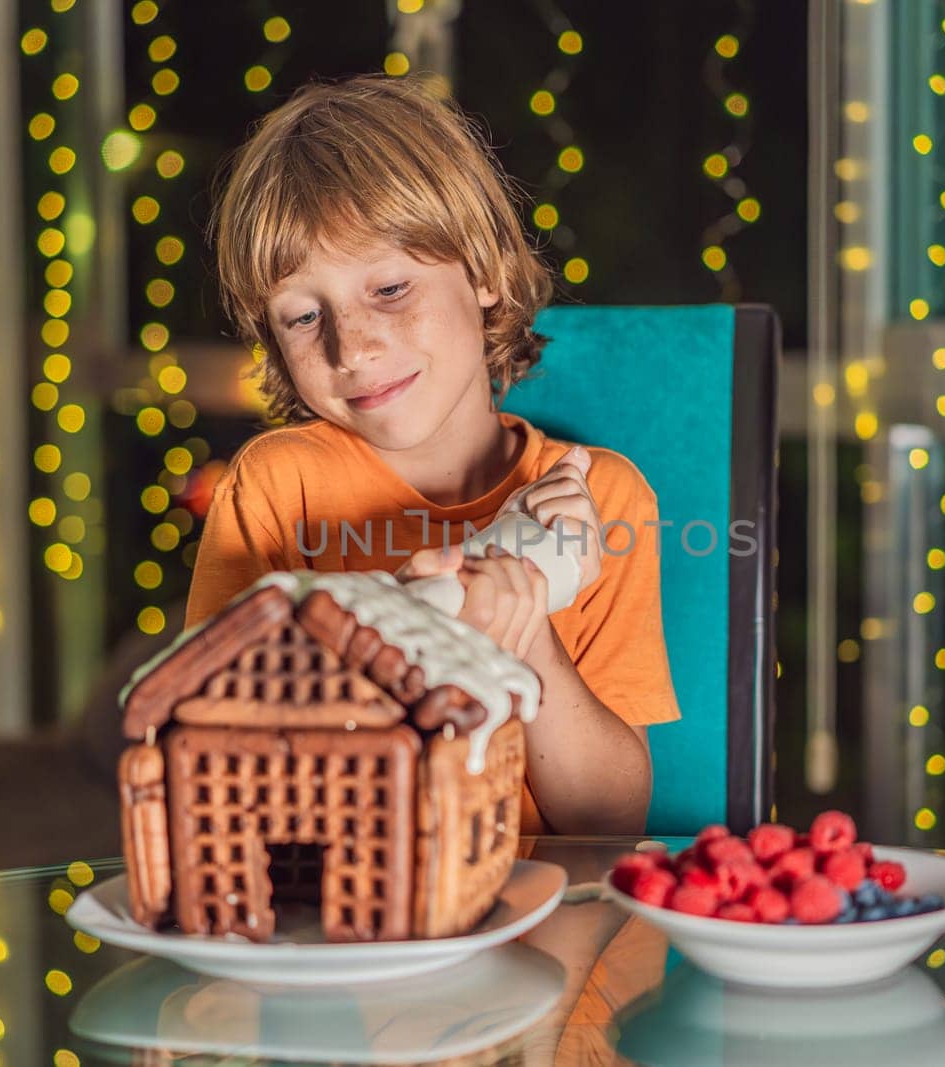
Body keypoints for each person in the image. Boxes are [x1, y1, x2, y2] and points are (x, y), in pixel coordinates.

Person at [189, 74, 679, 835]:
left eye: (388, 287)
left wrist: (527, 640)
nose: (352, 346)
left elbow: (608, 822)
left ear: (481, 271)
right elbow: (211, 763)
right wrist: (400, 619)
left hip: (539, 926)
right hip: (329, 920)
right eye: (303, 315)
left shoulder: (598, 503)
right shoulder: (275, 488)